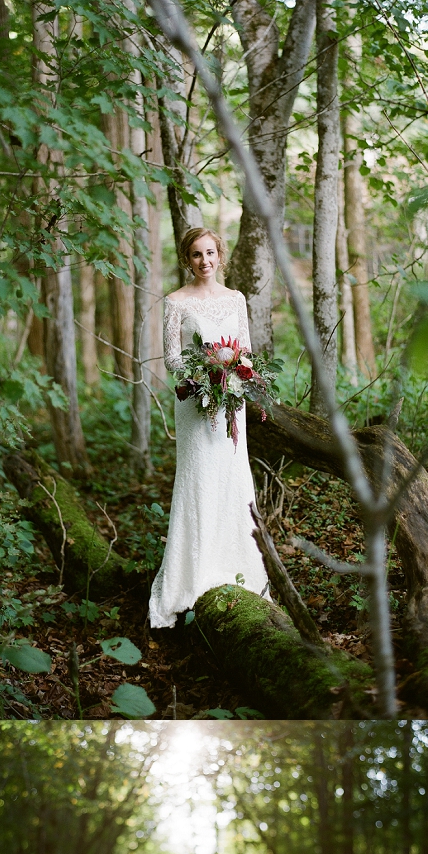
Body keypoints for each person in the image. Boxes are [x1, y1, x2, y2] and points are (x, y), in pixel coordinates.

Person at [149, 227, 270, 629]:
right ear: (187, 259)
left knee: (233, 479)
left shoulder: (236, 299)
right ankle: (193, 577)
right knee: (199, 479)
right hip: (195, 401)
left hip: (230, 404)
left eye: (211, 253)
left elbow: (247, 351)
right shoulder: (175, 302)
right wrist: (206, 372)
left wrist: (233, 371)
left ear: (221, 256)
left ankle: (242, 570)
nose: (205, 261)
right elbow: (170, 359)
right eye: (197, 254)